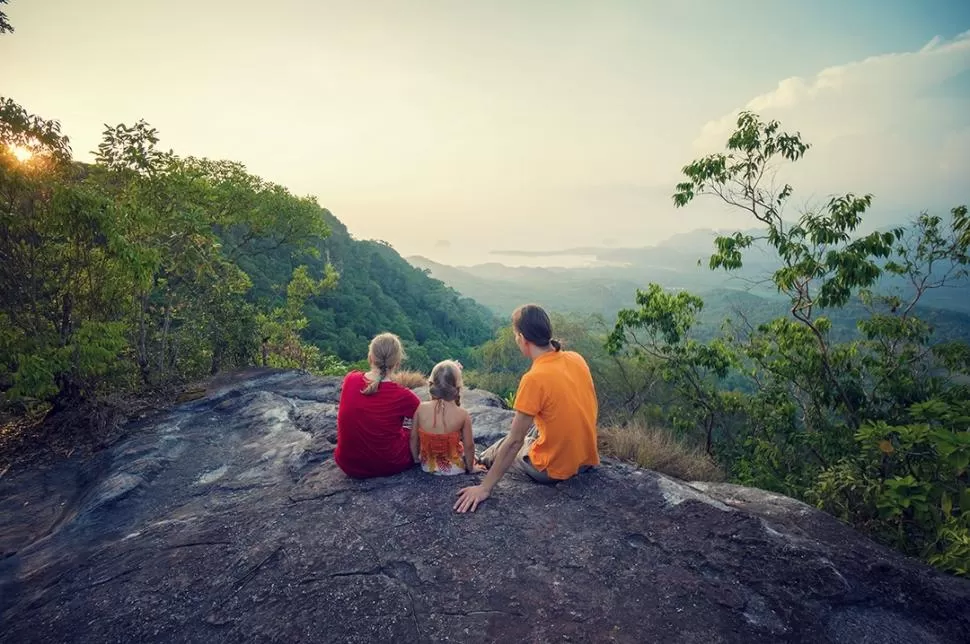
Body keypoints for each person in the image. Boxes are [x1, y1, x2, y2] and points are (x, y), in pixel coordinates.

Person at [454, 304, 599, 513]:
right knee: (532, 428)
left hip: (553, 470)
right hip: (585, 459)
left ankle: (479, 460)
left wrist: (485, 488)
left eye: (515, 336)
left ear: (522, 338)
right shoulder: (576, 359)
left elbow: (514, 442)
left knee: (507, 442)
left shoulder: (534, 379)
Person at [334, 332, 420, 478]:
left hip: (348, 464)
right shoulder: (403, 396)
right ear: (397, 363)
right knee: (417, 434)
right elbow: (429, 418)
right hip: (388, 464)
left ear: (370, 357)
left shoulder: (350, 379)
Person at [410, 360, 482, 475]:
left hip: (427, 466)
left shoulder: (421, 408)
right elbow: (469, 446)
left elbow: (413, 438)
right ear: (456, 387)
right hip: (455, 469)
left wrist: (416, 459)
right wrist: (471, 468)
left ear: (432, 384)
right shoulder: (463, 414)